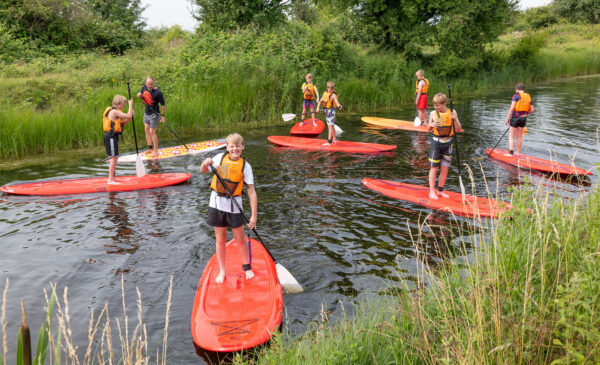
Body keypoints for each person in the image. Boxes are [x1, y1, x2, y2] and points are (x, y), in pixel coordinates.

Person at [200, 133, 257, 284]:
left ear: (242, 147)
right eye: (231, 146)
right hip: (216, 204)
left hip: (234, 206)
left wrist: (254, 215)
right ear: (227, 147)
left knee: (240, 238)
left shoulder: (246, 166)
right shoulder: (219, 158)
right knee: (220, 240)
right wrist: (205, 164)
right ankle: (223, 270)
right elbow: (203, 170)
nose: (234, 149)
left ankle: (247, 267)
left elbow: (251, 191)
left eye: (237, 146)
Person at [427, 93, 462, 200]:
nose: (435, 107)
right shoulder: (433, 113)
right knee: (434, 168)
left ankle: (440, 190)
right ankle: (431, 192)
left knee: (445, 169)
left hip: (448, 144)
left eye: (437, 105)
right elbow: (428, 129)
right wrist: (431, 125)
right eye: (434, 105)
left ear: (444, 103)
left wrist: (455, 119)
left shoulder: (452, 112)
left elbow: (459, 128)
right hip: (436, 144)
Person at [103, 95, 133, 184]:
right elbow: (128, 115)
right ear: (118, 103)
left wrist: (130, 117)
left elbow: (123, 124)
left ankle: (112, 178)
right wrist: (130, 105)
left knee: (115, 157)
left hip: (113, 136)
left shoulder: (116, 112)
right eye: (123, 104)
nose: (124, 106)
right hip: (110, 136)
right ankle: (110, 180)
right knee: (114, 157)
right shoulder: (114, 112)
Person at [137, 77, 165, 157]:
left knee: (152, 132)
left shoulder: (158, 93)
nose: (150, 86)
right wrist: (139, 95)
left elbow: (163, 104)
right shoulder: (144, 88)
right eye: (148, 84)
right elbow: (140, 95)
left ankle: (156, 151)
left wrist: (162, 116)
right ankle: (150, 148)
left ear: (154, 83)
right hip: (146, 113)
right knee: (147, 130)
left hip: (154, 114)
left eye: (152, 84)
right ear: (146, 83)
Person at [505, 82, 534, 155]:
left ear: (517, 89)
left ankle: (511, 153)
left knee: (511, 136)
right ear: (524, 89)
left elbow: (512, 108)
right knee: (519, 136)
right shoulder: (529, 97)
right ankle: (518, 153)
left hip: (515, 118)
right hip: (523, 119)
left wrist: (507, 118)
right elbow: (532, 110)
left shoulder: (516, 96)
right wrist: (525, 113)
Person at [316, 81, 342, 145]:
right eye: (330, 88)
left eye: (332, 89)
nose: (331, 90)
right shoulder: (325, 94)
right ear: (327, 88)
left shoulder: (333, 95)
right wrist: (318, 108)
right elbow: (320, 101)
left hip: (332, 112)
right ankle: (334, 139)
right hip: (327, 111)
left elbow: (337, 102)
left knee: (330, 126)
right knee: (331, 126)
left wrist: (339, 106)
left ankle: (329, 142)